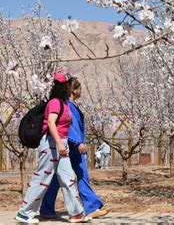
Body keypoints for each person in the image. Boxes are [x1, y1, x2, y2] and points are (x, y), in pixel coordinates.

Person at [15, 72, 91, 224]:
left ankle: (76, 214)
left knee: (68, 178)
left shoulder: (64, 104)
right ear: (64, 87)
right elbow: (51, 123)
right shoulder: (55, 103)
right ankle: (24, 213)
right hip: (51, 144)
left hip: (60, 144)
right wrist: (60, 143)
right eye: (69, 84)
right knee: (42, 178)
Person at [40, 78, 108, 219]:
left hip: (68, 145)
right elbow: (70, 127)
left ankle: (46, 208)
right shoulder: (68, 105)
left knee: (56, 178)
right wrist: (78, 143)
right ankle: (92, 207)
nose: (81, 91)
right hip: (71, 146)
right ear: (74, 90)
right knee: (82, 175)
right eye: (80, 88)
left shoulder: (70, 105)